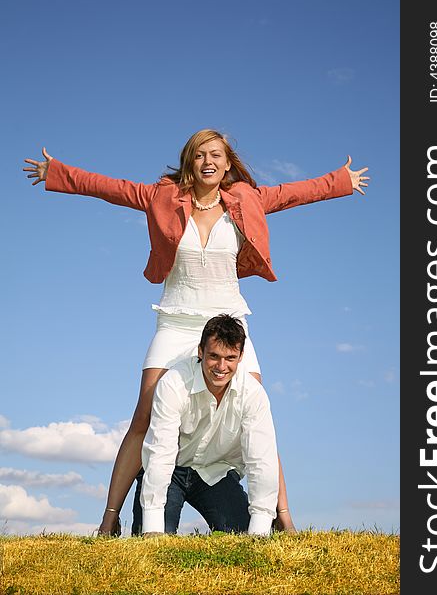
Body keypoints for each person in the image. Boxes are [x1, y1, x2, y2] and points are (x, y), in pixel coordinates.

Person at [23, 129, 369, 536]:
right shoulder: (163, 197)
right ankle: (109, 517)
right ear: (190, 160)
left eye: (216, 154)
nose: (209, 161)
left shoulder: (246, 199)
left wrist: (341, 181)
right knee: (145, 414)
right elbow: (111, 188)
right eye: (200, 154)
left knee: (257, 415)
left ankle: (283, 518)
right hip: (177, 318)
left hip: (227, 321)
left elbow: (295, 193)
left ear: (227, 162)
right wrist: (57, 173)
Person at [141, 314, 278, 536]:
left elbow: (262, 460)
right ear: (200, 351)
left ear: (241, 356)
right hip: (171, 471)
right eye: (214, 356)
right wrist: (152, 528)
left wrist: (260, 529)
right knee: (154, 537)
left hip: (216, 472)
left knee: (244, 533)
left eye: (230, 358)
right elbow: (161, 452)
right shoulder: (173, 383)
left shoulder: (253, 394)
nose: (221, 366)